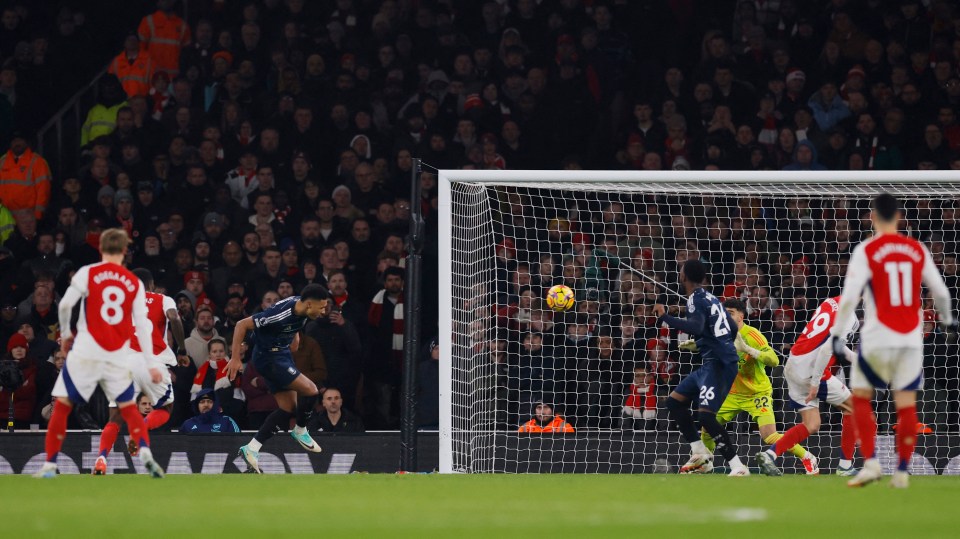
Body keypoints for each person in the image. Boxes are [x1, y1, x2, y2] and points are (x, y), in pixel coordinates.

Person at [830, 193, 954, 488]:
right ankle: (901, 472)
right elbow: (941, 293)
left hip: (875, 337)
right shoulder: (916, 248)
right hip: (910, 340)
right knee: (907, 405)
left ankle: (871, 463)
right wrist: (948, 321)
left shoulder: (867, 249)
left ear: (872, 217)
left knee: (860, 397)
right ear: (899, 217)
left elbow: (849, 297)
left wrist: (836, 335)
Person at [37, 228, 165, 478]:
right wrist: (150, 364)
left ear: (101, 249)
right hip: (117, 355)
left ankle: (50, 464)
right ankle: (147, 456)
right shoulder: (134, 283)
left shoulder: (88, 273)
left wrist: (66, 335)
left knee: (62, 406)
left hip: (86, 350)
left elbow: (64, 305)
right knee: (128, 408)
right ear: (125, 251)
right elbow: (142, 326)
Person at [687, 298, 816, 473]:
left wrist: (748, 350)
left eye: (730, 313)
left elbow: (774, 360)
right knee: (707, 427)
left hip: (756, 393)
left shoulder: (752, 335)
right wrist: (697, 347)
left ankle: (808, 457)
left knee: (769, 436)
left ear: (741, 316)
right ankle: (705, 462)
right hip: (731, 393)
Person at [653, 259, 749, 476]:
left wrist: (665, 317)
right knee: (674, 402)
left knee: (706, 416)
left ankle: (737, 466)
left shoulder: (695, 299)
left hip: (719, 364)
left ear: (684, 276)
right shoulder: (711, 297)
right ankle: (700, 453)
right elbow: (732, 327)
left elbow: (696, 326)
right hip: (711, 362)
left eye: (680, 270)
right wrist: (712, 343)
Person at [225, 283, 331, 473]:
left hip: (281, 354)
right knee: (311, 390)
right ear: (309, 305)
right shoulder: (279, 315)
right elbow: (242, 325)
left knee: (287, 408)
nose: (323, 311)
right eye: (321, 307)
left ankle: (252, 448)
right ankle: (300, 430)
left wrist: (294, 337)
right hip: (269, 358)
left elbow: (295, 323)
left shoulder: (301, 307)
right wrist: (234, 358)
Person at [94, 268, 187, 475]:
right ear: (151, 285)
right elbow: (175, 318)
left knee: (115, 418)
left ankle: (101, 458)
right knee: (166, 408)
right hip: (151, 362)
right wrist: (182, 349)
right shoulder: (163, 299)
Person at [756, 295, 859, 477]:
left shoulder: (831, 301)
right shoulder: (849, 316)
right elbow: (828, 349)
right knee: (853, 408)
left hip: (793, 364)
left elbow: (833, 343)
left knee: (811, 424)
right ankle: (845, 466)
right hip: (812, 371)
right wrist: (815, 381)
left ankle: (770, 455)